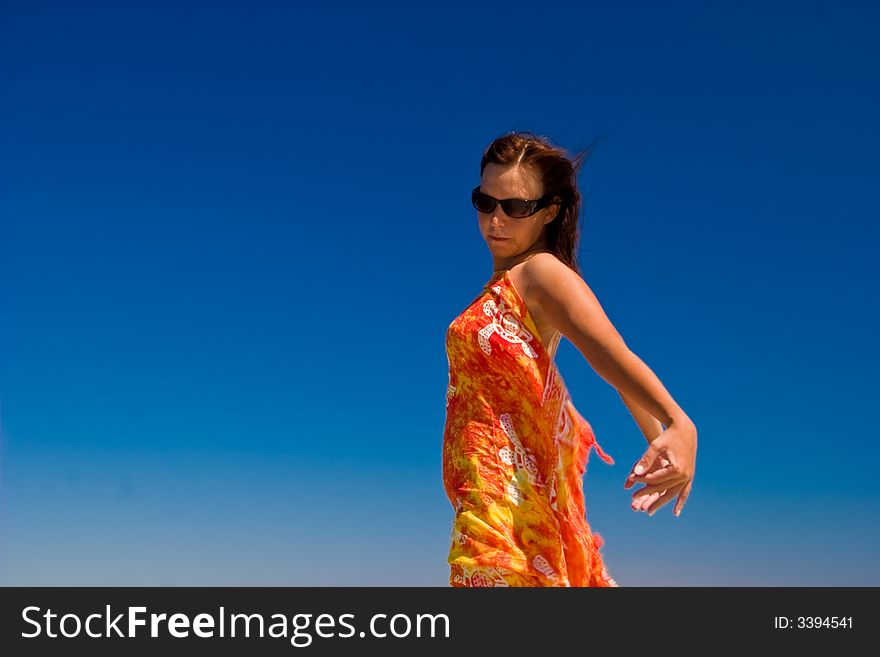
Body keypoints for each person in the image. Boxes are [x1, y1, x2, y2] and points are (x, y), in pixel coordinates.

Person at [441, 131, 698, 587]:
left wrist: (679, 424)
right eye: (485, 202)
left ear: (549, 212)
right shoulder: (501, 288)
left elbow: (608, 352)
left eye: (515, 206)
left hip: (511, 516)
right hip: (488, 507)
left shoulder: (540, 273)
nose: (496, 219)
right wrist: (654, 438)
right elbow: (613, 369)